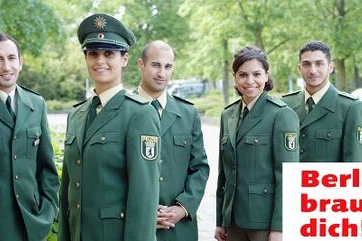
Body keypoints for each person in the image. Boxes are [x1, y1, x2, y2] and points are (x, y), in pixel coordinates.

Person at [58, 14, 161, 241]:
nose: (100, 61)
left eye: (109, 54)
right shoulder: (76, 114)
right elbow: (67, 190)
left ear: (124, 59)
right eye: (93, 54)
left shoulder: (140, 113)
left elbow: (144, 197)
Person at [0, 33, 59, 241]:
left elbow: (47, 169)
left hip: (31, 227)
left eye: (12, 58)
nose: (6, 66)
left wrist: (47, 213)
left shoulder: (36, 104)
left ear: (21, 62)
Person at [215, 46, 299, 241]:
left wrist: (280, 227)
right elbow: (224, 173)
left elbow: (287, 175)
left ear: (267, 76)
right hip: (233, 220)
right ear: (234, 77)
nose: (250, 81)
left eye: (257, 74)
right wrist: (220, 220)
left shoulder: (281, 114)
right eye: (243, 75)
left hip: (264, 222)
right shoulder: (228, 114)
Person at [136, 40, 210, 241]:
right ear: (141, 65)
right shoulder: (123, 109)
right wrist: (142, 212)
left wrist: (182, 207)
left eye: (167, 66)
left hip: (178, 228)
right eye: (155, 65)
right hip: (135, 225)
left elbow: (200, 168)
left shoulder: (188, 113)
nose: (162, 73)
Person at [282, 40, 362, 162]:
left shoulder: (350, 108)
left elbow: (356, 164)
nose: (312, 70)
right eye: (306, 64)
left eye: (319, 64)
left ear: (330, 67)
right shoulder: (286, 105)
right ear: (299, 68)